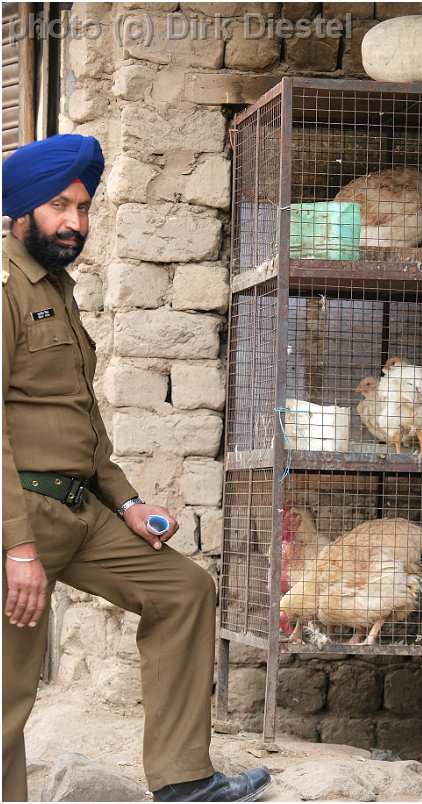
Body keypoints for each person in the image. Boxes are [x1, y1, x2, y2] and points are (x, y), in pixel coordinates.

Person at [2, 134, 271, 803]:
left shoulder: (58, 290)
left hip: (78, 510)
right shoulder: (5, 290)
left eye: (84, 208)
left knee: (183, 590)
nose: (75, 222)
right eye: (60, 206)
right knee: (6, 693)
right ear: (21, 211)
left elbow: (82, 424)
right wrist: (17, 549)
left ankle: (183, 779)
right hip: (19, 515)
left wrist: (126, 503)